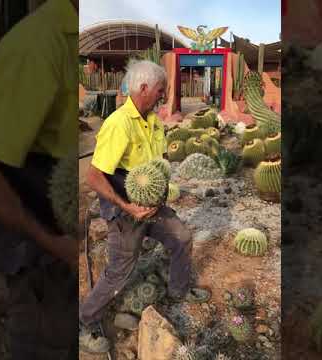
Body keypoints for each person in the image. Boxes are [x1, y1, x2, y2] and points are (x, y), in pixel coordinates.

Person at [0, 0, 79, 359]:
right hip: (39, 253)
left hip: (63, 241)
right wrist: (53, 243)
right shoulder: (36, 46)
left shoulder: (77, 36)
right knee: (46, 345)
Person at [79, 59, 211, 354]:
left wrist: (160, 193)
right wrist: (128, 206)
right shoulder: (118, 124)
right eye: (160, 90)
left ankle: (179, 289)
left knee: (182, 237)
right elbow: (94, 176)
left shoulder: (153, 120)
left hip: (152, 206)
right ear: (143, 88)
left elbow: (157, 164)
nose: (163, 96)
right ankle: (86, 322)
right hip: (126, 211)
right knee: (119, 272)